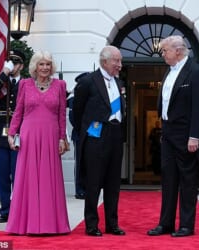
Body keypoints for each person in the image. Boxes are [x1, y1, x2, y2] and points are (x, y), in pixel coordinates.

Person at [147, 35, 199, 237]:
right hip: (168, 132)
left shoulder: (195, 72)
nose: (162, 54)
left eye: (165, 50)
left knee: (187, 180)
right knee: (168, 179)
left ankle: (186, 225)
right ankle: (165, 223)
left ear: (178, 50)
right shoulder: (169, 71)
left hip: (186, 135)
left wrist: (194, 137)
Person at [5, 50, 70, 235]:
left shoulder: (60, 85)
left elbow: (61, 115)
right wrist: (11, 134)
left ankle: (51, 224)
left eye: (48, 64)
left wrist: (62, 139)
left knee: (50, 179)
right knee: (28, 179)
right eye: (41, 64)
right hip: (29, 137)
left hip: (50, 137)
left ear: (52, 67)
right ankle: (25, 224)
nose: (45, 68)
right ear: (35, 66)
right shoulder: (25, 84)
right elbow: (18, 112)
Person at [73, 45, 126, 237]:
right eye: (117, 61)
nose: (120, 65)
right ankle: (92, 225)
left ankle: (112, 224)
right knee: (94, 182)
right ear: (105, 61)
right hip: (96, 136)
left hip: (115, 134)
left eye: (120, 61)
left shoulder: (119, 82)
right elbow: (77, 112)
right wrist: (86, 131)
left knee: (113, 183)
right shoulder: (88, 81)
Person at [0, 49, 25, 223]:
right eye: (10, 62)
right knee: (2, 174)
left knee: (18, 174)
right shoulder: (2, 82)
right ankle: (5, 210)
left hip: (20, 132)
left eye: (16, 62)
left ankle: (18, 210)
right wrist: (4, 73)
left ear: (22, 65)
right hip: (1, 133)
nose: (13, 65)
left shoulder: (26, 84)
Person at [68, 72, 89, 200]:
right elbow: (73, 118)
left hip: (92, 134)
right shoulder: (73, 98)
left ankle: (89, 188)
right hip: (80, 134)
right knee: (81, 163)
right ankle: (80, 189)